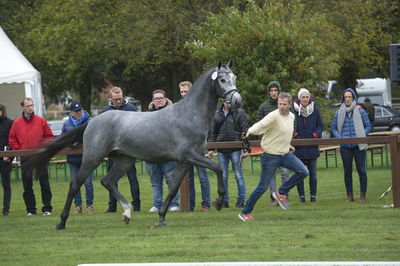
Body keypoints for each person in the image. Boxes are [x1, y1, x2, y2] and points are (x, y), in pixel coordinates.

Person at [239, 92, 309, 221]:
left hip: (285, 154)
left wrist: (287, 145)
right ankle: (245, 212)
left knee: (303, 171)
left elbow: (284, 133)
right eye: (279, 104)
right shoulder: (273, 116)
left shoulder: (292, 117)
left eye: (284, 104)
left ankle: (281, 192)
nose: (281, 106)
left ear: (289, 105)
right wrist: (249, 131)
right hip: (270, 156)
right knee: (262, 187)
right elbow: (261, 125)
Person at [9, 97, 54, 216]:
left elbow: (49, 136)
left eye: (32, 105)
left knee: (44, 184)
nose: (30, 108)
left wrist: (43, 149)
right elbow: (12, 139)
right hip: (25, 158)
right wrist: (19, 150)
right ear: (23, 107)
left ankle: (47, 208)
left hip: (41, 157)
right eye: (28, 106)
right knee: (27, 184)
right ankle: (31, 209)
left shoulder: (41, 121)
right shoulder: (16, 123)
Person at [101, 86, 141, 212]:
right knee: (111, 179)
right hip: (113, 151)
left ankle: (137, 206)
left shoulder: (131, 109)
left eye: (120, 99)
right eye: (115, 99)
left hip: (129, 151)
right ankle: (112, 206)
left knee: (132, 179)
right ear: (111, 98)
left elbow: (138, 128)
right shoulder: (106, 111)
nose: (118, 101)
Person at [331, 88, 372, 203]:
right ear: (343, 99)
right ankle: (350, 196)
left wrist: (362, 135)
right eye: (346, 97)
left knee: (361, 170)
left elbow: (368, 126)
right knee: (347, 171)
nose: (348, 99)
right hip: (345, 148)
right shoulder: (338, 112)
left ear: (353, 98)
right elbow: (333, 128)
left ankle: (363, 195)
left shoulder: (361, 111)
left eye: (350, 97)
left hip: (359, 146)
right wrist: (340, 139)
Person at [207, 101, 249, 208]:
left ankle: (241, 200)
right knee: (223, 176)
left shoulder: (240, 113)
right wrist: (211, 148)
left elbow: (245, 130)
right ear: (222, 100)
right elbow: (213, 132)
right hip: (221, 149)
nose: (228, 102)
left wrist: (245, 148)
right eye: (226, 100)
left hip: (236, 148)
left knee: (238, 175)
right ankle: (224, 200)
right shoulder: (217, 114)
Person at [255, 81, 290, 205]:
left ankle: (283, 195)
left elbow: (291, 123)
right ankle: (274, 197)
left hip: (283, 146)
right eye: (271, 91)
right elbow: (259, 126)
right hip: (270, 147)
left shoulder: (284, 106)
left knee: (285, 172)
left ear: (279, 92)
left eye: (276, 90)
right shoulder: (263, 107)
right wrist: (264, 141)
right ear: (269, 92)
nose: (274, 93)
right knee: (272, 173)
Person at [179, 81, 211, 211]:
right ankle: (189, 204)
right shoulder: (180, 107)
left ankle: (206, 204)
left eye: (185, 91)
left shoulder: (200, 106)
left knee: (202, 176)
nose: (183, 94)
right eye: (181, 92)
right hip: (185, 148)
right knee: (188, 178)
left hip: (197, 147)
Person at [146, 89, 180, 212]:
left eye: (160, 98)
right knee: (155, 182)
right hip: (151, 153)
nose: (158, 100)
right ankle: (157, 204)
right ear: (152, 101)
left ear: (166, 99)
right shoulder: (147, 115)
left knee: (171, 179)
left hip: (169, 153)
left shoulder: (174, 113)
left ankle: (174, 204)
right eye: (156, 99)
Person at [62, 101, 94, 214]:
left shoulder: (90, 122)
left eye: (80, 110)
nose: (79, 112)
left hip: (86, 158)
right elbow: (64, 139)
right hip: (73, 158)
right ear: (71, 113)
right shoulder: (66, 124)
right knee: (75, 183)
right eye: (76, 111)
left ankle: (89, 205)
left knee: (88, 183)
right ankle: (77, 205)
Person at [293, 88, 324, 203]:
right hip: (298, 147)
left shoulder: (315, 110)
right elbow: (290, 124)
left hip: (312, 147)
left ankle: (313, 196)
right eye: (303, 97)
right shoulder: (294, 111)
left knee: (313, 174)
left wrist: (315, 135)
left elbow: (320, 126)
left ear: (309, 98)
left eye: (307, 97)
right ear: (299, 98)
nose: (305, 99)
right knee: (299, 173)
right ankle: (301, 196)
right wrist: (295, 134)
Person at [0, 104, 13, 216]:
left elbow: (12, 141)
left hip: (5, 159)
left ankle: (6, 210)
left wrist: (10, 156)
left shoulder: (9, 123)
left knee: (6, 185)